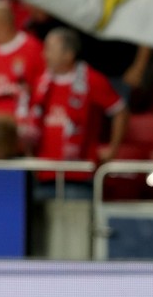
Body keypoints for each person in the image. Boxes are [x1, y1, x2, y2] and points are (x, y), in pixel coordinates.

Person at [24, 27, 128, 198]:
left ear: (68, 54)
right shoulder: (41, 83)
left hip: (79, 174)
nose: (45, 55)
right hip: (43, 172)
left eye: (50, 50)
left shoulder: (92, 80)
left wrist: (113, 148)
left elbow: (120, 111)